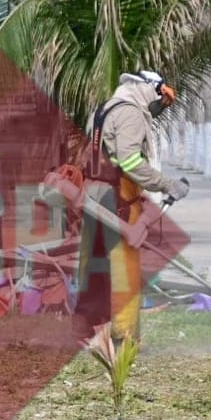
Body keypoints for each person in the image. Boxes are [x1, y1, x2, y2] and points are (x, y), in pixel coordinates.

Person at [74, 69, 189, 342]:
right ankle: (124, 335)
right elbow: (129, 162)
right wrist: (166, 184)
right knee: (124, 266)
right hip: (118, 197)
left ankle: (86, 327)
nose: (159, 104)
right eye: (159, 96)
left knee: (94, 264)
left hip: (94, 193)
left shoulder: (104, 109)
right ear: (147, 88)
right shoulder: (131, 114)